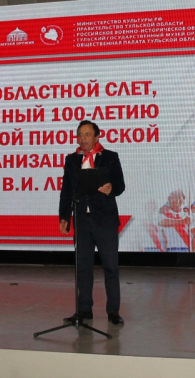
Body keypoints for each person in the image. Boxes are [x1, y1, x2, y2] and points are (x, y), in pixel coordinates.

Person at [59, 120, 126, 326]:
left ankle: (113, 312)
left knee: (110, 267)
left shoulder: (110, 157)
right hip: (82, 222)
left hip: (105, 221)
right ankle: (84, 310)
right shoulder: (72, 160)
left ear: (97, 137)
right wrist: (64, 216)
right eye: (80, 135)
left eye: (87, 134)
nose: (83, 138)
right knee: (83, 268)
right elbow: (66, 191)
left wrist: (111, 188)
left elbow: (120, 185)